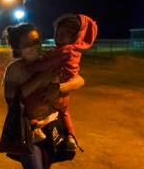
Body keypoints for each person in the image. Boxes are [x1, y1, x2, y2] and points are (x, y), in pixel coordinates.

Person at [2, 23, 85, 169]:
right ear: (17, 49)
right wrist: (42, 79)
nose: (34, 47)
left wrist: (62, 86)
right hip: (27, 131)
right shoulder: (15, 70)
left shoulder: (51, 60)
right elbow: (12, 100)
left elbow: (80, 80)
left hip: (51, 129)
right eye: (27, 45)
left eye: (37, 41)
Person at [24, 14, 97, 150]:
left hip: (50, 91)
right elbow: (78, 78)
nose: (60, 36)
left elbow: (45, 65)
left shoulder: (65, 50)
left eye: (66, 34)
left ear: (75, 37)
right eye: (59, 32)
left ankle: (35, 129)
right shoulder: (74, 52)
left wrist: (32, 67)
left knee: (29, 103)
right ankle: (71, 136)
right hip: (63, 96)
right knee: (65, 113)